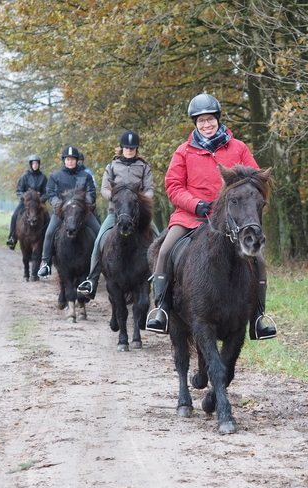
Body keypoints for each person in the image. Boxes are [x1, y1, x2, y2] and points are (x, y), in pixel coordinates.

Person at [145, 93, 277, 340]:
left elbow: (255, 180)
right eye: (201, 121)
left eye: (210, 120)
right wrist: (196, 205)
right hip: (191, 217)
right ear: (195, 123)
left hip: (231, 221)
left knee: (257, 258)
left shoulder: (238, 148)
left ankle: (259, 318)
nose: (207, 125)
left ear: (217, 119)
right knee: (164, 251)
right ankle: (160, 309)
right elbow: (173, 186)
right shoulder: (183, 152)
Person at [76, 130, 159, 299]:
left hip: (138, 214)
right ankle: (91, 280)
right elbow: (105, 188)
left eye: (133, 148)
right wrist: (115, 197)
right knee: (99, 241)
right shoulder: (112, 166)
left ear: (136, 149)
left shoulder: (144, 167)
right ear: (121, 148)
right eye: (127, 148)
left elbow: (150, 189)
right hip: (116, 213)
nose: (129, 150)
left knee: (158, 239)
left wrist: (142, 199)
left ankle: (159, 283)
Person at [37, 146, 101, 278]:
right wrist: (59, 205)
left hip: (82, 213)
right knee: (49, 233)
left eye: (72, 159)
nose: (70, 162)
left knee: (99, 232)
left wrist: (84, 205)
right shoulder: (55, 176)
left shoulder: (86, 176)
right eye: (68, 159)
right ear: (64, 160)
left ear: (77, 160)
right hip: (62, 212)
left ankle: (101, 263)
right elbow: (51, 193)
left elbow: (91, 193)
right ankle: (46, 263)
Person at [7, 155, 49, 250]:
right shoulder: (24, 176)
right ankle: (12, 238)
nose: (35, 165)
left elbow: (46, 192)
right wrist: (25, 198)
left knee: (47, 217)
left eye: (37, 163)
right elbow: (19, 191)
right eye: (33, 163)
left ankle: (47, 240)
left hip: (39, 204)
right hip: (26, 203)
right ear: (30, 164)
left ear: (39, 165)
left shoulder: (43, 177)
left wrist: (40, 199)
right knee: (14, 216)